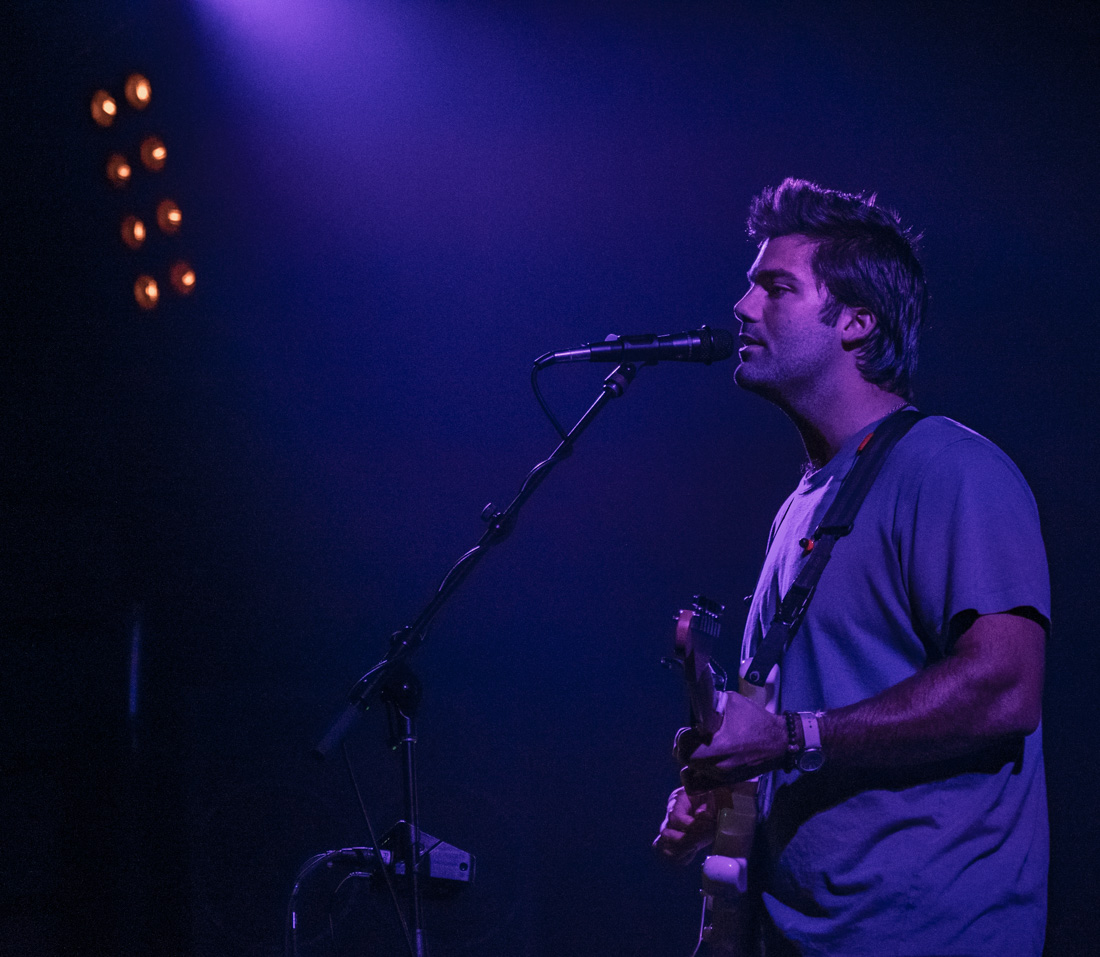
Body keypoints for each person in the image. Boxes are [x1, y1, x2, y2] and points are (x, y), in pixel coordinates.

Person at [654, 179, 1050, 956]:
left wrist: (792, 735)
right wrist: (725, 798)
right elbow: (775, 741)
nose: (741, 306)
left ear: (857, 321)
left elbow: (1009, 686)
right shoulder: (797, 507)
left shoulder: (953, 467)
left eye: (775, 286)